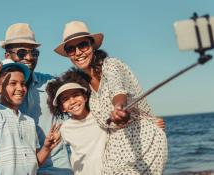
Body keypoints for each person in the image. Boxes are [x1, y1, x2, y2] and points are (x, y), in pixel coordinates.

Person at [0, 23, 73, 175]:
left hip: (57, 171)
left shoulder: (53, 84)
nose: (29, 57)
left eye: (34, 52)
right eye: (22, 53)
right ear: (7, 56)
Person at [54, 20, 168, 174]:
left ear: (92, 45)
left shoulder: (111, 66)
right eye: (71, 49)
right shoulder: (85, 85)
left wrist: (119, 108)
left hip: (142, 142)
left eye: (83, 45)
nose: (78, 52)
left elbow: (118, 91)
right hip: (115, 151)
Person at [0, 59, 61, 175]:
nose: (20, 88)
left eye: (23, 83)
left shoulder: (30, 122)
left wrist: (47, 148)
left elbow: (34, 163)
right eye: (13, 83)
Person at [46, 68, 107, 175]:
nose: (72, 101)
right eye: (65, 99)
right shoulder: (65, 128)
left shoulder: (100, 115)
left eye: (75, 95)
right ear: (62, 108)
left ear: (85, 97)